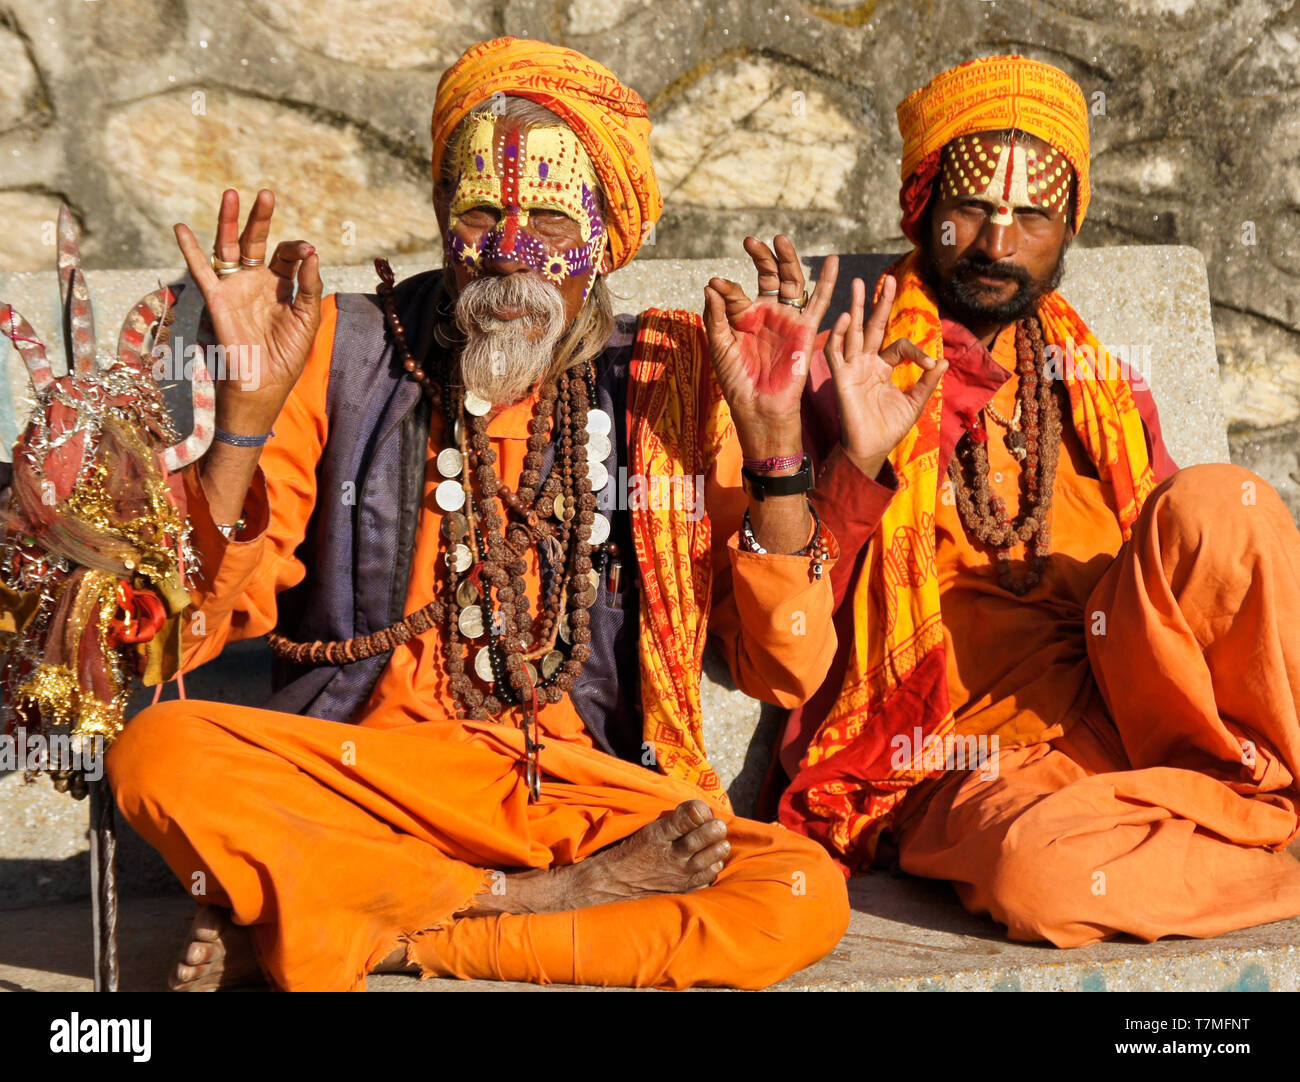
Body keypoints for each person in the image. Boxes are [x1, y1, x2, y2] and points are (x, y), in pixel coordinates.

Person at [105, 37, 857, 991]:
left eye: (548, 218)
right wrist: (244, 421)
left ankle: (385, 931)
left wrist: (777, 445)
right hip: (364, 780)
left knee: (798, 892)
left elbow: (787, 669)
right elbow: (175, 643)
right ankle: (524, 904)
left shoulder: (667, 380)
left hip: (575, 792)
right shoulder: (339, 347)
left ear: (606, 235)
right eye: (480, 214)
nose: (511, 252)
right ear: (441, 221)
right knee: (158, 751)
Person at [778, 53, 1300, 948]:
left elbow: (1193, 568)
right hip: (972, 757)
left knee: (1230, 504)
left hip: (1132, 704)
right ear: (926, 209)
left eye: (1031, 216)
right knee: (1043, 877)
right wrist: (856, 463)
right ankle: (1248, 833)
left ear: (1068, 229)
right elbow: (786, 637)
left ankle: (1218, 810)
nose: (996, 243)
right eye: (972, 208)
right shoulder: (852, 370)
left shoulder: (1093, 383)